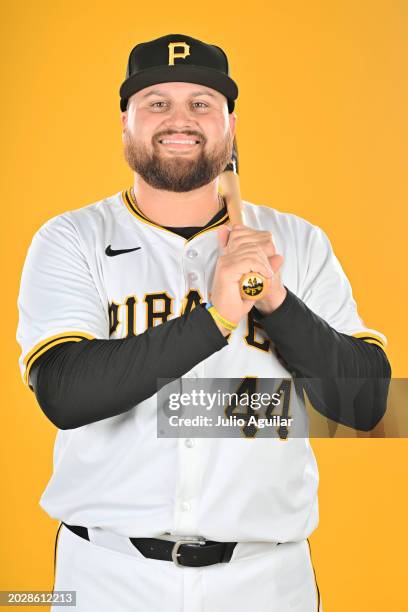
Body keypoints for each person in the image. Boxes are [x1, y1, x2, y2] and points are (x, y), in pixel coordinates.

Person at [16, 33, 390, 612]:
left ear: (230, 125)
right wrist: (216, 316)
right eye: (156, 103)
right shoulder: (72, 239)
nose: (180, 119)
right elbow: (65, 393)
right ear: (126, 123)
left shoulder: (298, 243)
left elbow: (367, 404)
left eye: (202, 103)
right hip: (107, 573)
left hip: (266, 578)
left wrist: (277, 304)